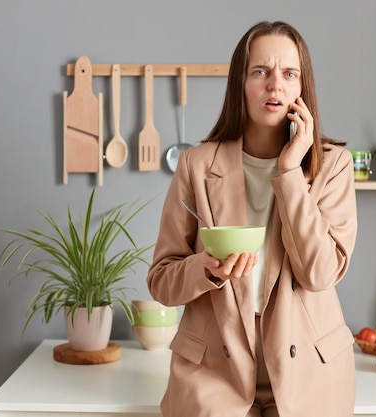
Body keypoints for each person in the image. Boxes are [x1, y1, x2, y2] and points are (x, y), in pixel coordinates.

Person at [147, 21, 357, 417]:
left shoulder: (334, 167)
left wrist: (291, 170)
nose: (275, 85)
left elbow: (320, 274)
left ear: (302, 88)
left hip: (310, 376)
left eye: (289, 74)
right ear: (240, 84)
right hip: (213, 375)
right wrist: (205, 269)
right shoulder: (195, 166)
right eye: (260, 72)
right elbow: (161, 280)